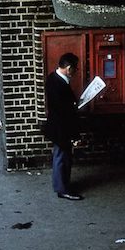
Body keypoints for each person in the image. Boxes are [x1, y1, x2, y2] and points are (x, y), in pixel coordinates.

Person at [44, 52, 83, 201]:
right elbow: (64, 113)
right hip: (62, 129)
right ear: (68, 67)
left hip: (57, 127)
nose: (76, 71)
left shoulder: (53, 78)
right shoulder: (60, 84)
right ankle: (63, 189)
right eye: (75, 68)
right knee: (62, 159)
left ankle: (61, 185)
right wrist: (74, 135)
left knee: (60, 157)